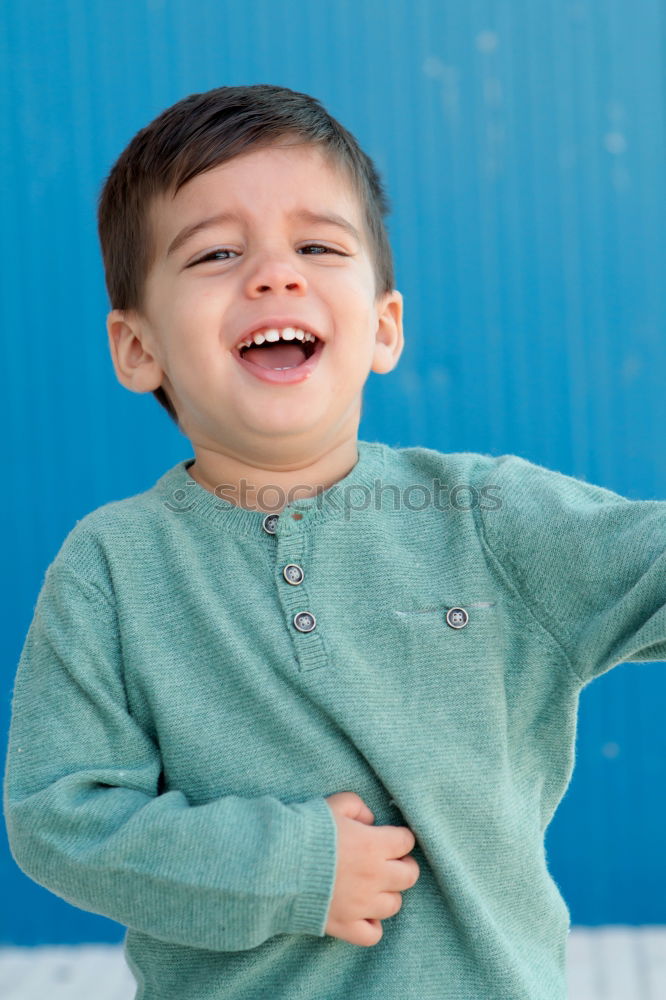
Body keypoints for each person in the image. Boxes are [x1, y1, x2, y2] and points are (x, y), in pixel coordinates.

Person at [3, 83, 666, 1000]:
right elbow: (60, 819)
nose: (276, 275)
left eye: (317, 246)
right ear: (137, 348)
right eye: (217, 252)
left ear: (385, 326)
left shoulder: (488, 517)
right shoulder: (114, 567)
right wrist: (293, 865)